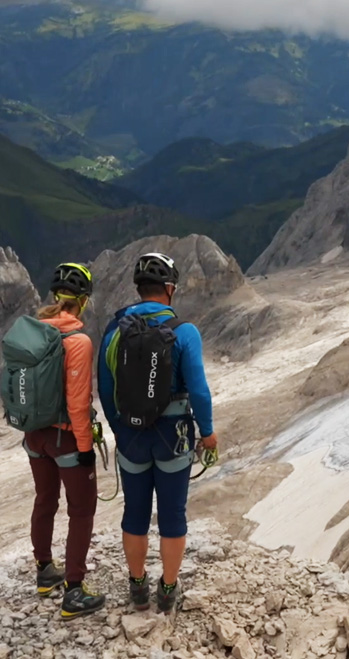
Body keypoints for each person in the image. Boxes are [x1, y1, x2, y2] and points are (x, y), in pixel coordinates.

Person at [98, 252, 218, 613]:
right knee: (172, 515)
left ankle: (137, 586)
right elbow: (198, 390)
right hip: (174, 438)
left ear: (139, 288)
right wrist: (208, 434)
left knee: (134, 513)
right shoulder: (184, 331)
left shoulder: (114, 329)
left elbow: (105, 387)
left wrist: (120, 428)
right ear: (169, 289)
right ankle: (167, 589)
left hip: (131, 436)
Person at [22, 263, 106, 620]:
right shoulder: (78, 341)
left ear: (56, 298)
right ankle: (74, 591)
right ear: (83, 301)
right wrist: (86, 448)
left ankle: (45, 570)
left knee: (45, 499)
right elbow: (77, 403)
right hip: (65, 439)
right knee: (82, 510)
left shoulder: (32, 332)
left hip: (33, 435)